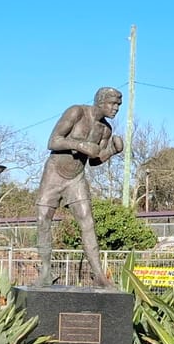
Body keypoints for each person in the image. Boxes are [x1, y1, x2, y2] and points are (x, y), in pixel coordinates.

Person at [35, 87, 124, 287]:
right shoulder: (76, 112)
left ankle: (99, 275)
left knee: (88, 222)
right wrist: (82, 145)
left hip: (76, 177)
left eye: (119, 105)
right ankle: (46, 272)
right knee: (43, 219)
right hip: (54, 174)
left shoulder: (106, 130)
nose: (116, 108)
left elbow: (95, 160)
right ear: (100, 101)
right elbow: (53, 141)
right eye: (113, 103)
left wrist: (112, 150)